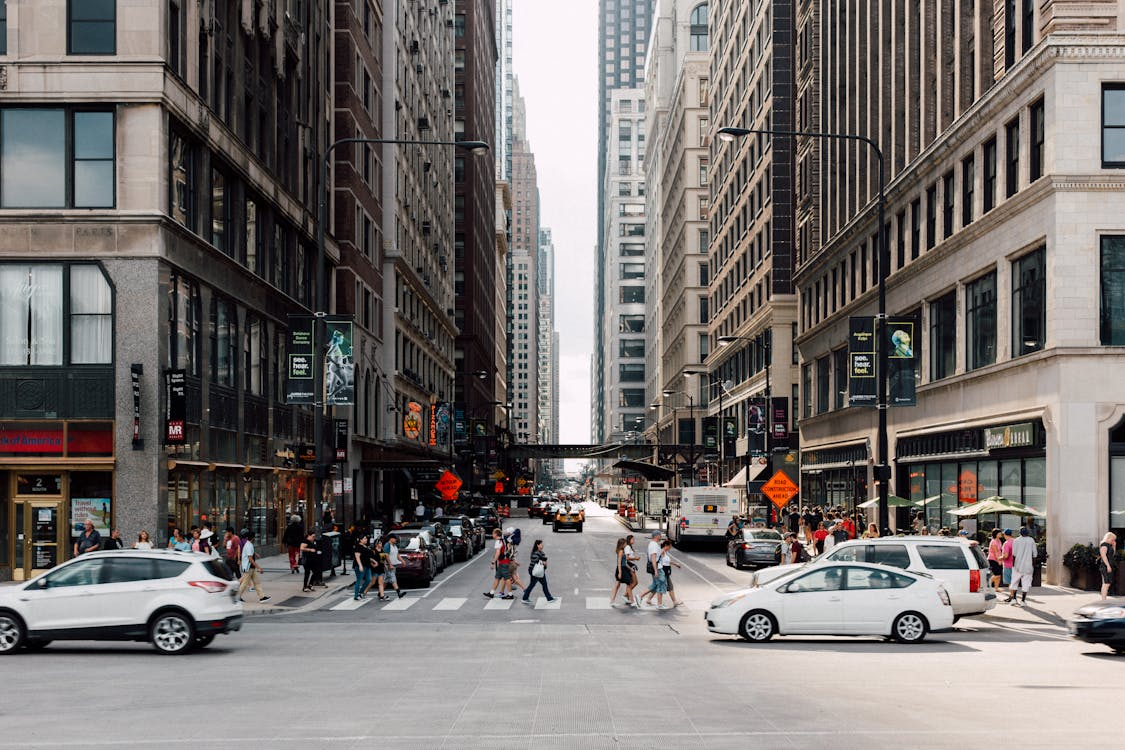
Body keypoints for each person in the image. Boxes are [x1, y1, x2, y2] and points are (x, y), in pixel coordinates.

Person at [1006, 527, 1038, 606]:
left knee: (1014, 582)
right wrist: (1033, 565)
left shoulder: (1016, 540)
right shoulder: (1031, 540)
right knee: (1026, 583)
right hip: (1028, 566)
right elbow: (1035, 554)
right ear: (1028, 533)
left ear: (1020, 533)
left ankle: (1014, 599)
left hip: (1017, 565)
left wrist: (1013, 565)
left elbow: (1014, 554)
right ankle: (1023, 601)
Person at [237, 531, 271, 603]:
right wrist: (258, 567)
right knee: (245, 583)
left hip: (250, 567)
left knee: (256, 582)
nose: (255, 538)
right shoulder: (249, 545)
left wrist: (255, 555)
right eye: (254, 537)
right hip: (248, 567)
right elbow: (250, 558)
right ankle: (237, 597)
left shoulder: (249, 544)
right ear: (252, 538)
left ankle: (262, 597)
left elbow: (250, 555)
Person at [483, 528, 513, 599]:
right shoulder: (504, 540)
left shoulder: (498, 542)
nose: (492, 535)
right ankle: (491, 593)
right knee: (497, 577)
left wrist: (493, 562)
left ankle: (510, 594)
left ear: (496, 534)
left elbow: (498, 552)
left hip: (503, 562)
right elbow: (509, 547)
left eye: (493, 533)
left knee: (507, 578)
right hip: (504, 562)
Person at [382, 534, 406, 599]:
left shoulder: (394, 546)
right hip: (388, 565)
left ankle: (380, 593)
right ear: (391, 539)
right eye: (395, 539)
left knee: (386, 580)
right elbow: (386, 555)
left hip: (393, 565)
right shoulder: (387, 545)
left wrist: (402, 561)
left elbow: (397, 555)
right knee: (393, 578)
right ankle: (399, 593)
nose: (396, 540)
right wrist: (390, 564)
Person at [352, 534, 373, 600]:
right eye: (365, 538)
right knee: (359, 580)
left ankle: (360, 592)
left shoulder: (366, 547)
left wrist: (373, 561)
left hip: (367, 565)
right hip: (360, 566)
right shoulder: (358, 546)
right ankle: (356, 595)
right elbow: (357, 556)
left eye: (366, 538)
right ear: (361, 540)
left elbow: (367, 556)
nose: (366, 539)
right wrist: (360, 566)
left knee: (369, 579)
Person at [1099, 532, 1117, 602]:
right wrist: (1108, 566)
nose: (1113, 541)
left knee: (1108, 583)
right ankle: (1103, 600)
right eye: (1112, 540)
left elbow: (1112, 555)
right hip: (1105, 566)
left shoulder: (1109, 545)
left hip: (1110, 565)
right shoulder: (1104, 545)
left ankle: (1104, 599)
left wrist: (1114, 546)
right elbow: (1103, 556)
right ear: (1108, 538)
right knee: (1106, 583)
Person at [610, 538, 629, 605]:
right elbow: (619, 562)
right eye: (625, 543)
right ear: (622, 544)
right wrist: (620, 572)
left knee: (618, 585)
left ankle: (613, 600)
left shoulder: (621, 550)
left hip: (622, 569)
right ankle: (613, 600)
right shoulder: (621, 551)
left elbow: (625, 562)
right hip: (620, 569)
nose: (626, 544)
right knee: (627, 583)